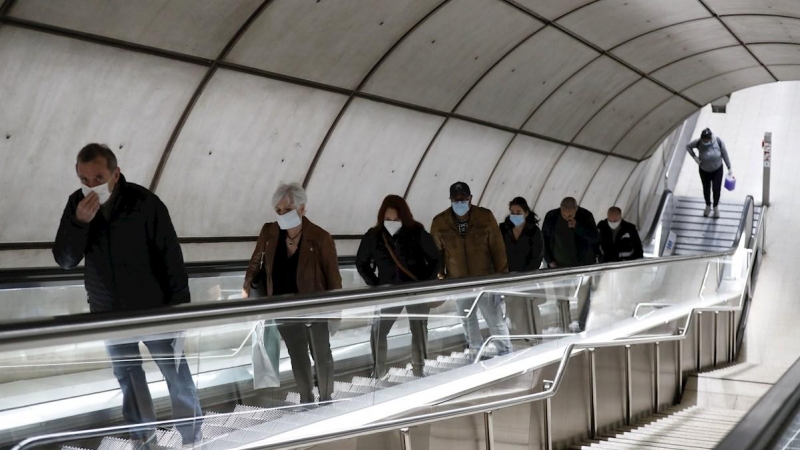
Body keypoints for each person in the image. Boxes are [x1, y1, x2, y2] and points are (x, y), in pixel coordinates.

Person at [53, 144, 202, 447]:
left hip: (155, 309)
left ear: (116, 173)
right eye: (84, 178)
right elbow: (65, 259)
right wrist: (79, 223)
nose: (90, 185)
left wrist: (180, 310)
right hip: (109, 313)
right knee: (129, 380)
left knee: (177, 376)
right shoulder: (76, 205)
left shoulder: (145, 202)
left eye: (98, 177)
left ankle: (193, 438)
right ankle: (144, 442)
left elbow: (171, 258)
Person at [242, 183, 341, 405]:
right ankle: (306, 399)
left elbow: (333, 277)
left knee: (321, 354)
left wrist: (336, 311)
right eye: (278, 211)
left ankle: (326, 398)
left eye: (287, 210)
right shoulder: (269, 232)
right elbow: (255, 263)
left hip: (315, 306)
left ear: (302, 208)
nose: (281, 215)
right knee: (298, 355)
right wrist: (247, 290)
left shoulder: (320, 237)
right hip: (283, 306)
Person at [356, 195, 440, 378]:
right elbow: (361, 262)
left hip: (415, 290)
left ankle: (419, 368)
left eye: (396, 219)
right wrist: (376, 284)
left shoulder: (417, 232)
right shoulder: (374, 236)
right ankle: (379, 372)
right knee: (378, 331)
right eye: (388, 219)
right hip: (389, 291)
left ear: (404, 217)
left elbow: (435, 258)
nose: (392, 223)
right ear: (381, 218)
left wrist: (425, 282)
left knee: (418, 328)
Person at [429, 182, 511, 355]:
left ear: (470, 198)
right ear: (450, 199)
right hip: (458, 282)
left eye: (463, 198)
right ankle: (475, 351)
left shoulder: (485, 217)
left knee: (495, 319)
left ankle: (505, 351)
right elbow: (437, 253)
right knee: (467, 319)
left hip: (485, 279)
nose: (460, 202)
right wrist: (441, 276)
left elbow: (498, 248)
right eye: (456, 199)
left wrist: (501, 278)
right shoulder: (440, 222)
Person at [686, 128, 734, 219]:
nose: (705, 141)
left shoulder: (718, 142)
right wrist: (695, 157)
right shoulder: (698, 142)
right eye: (704, 139)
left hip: (717, 170)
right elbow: (688, 146)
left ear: (710, 137)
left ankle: (715, 207)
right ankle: (708, 205)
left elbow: (724, 154)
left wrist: (729, 167)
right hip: (704, 171)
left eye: (706, 139)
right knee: (706, 189)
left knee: (716, 189)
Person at [542, 197, 599, 268]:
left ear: (576, 209)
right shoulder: (552, 216)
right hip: (558, 265)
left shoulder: (586, 216)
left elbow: (594, 238)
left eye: (570, 215)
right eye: (563, 215)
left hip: (582, 265)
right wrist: (549, 260)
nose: (566, 218)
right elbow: (544, 239)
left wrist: (577, 227)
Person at [499, 197, 544, 272]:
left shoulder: (534, 231)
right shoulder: (503, 229)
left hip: (526, 276)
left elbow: (537, 256)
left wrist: (527, 274)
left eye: (519, 213)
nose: (515, 215)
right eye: (512, 213)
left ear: (526, 213)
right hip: (506, 275)